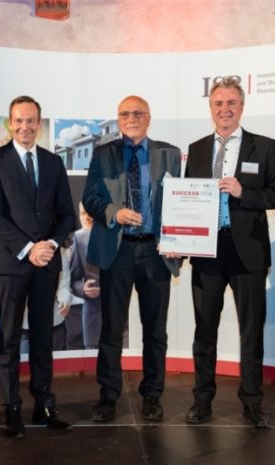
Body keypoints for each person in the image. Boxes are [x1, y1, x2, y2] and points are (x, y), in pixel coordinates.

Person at [183, 77, 275, 429]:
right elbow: (187, 201)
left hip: (248, 254)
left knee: (251, 332)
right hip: (207, 253)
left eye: (231, 103)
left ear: (241, 107)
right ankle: (202, 401)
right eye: (218, 103)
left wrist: (245, 192)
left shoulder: (265, 147)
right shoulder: (197, 149)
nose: (225, 109)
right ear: (211, 108)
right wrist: (178, 241)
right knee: (204, 331)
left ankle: (252, 403)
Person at [0, 95, 76, 438]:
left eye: (31, 120)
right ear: (9, 124)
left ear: (39, 124)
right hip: (11, 264)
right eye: (18, 120)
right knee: (8, 338)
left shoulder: (53, 162)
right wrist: (27, 248)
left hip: (46, 264)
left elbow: (67, 214)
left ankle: (44, 404)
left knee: (42, 338)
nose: (25, 126)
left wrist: (49, 245)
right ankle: (11, 407)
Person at [82, 95, 181, 423]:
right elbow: (90, 198)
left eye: (138, 113)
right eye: (125, 113)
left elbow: (182, 201)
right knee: (111, 329)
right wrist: (115, 212)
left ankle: (152, 395)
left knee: (156, 331)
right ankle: (108, 395)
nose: (131, 118)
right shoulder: (103, 153)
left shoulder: (169, 153)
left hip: (155, 251)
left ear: (149, 118)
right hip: (118, 250)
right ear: (118, 118)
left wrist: (180, 239)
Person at [70, 203, 101, 349]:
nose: (87, 217)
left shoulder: (118, 235)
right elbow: (74, 280)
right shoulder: (79, 237)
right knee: (92, 359)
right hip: (92, 313)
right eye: (83, 213)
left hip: (117, 312)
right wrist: (83, 288)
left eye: (90, 213)